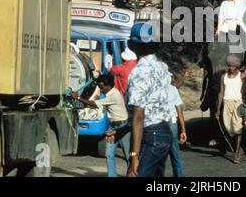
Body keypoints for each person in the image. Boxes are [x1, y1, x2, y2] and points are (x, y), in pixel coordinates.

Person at [126, 22, 173, 177]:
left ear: (131, 45)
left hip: (150, 135)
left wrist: (134, 156)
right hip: (165, 132)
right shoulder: (163, 67)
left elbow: (139, 115)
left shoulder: (139, 72)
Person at [71, 73, 130, 177]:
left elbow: (94, 104)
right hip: (113, 127)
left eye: (101, 87)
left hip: (122, 127)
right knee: (109, 154)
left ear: (108, 86)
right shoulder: (110, 94)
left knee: (128, 155)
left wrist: (79, 97)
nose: (100, 90)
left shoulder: (114, 95)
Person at [166, 71, 188, 177]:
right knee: (175, 156)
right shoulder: (173, 89)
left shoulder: (153, 89)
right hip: (172, 124)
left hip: (159, 125)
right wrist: (183, 130)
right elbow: (179, 111)